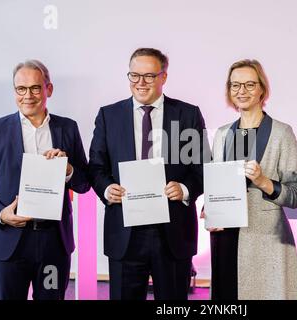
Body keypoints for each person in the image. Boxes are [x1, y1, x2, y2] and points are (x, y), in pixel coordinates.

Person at [88, 48, 209, 300]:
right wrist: (107, 189)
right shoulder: (108, 115)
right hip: (125, 231)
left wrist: (185, 189)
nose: (140, 83)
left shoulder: (187, 114)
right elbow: (97, 167)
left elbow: (201, 167)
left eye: (149, 76)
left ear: (163, 77)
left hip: (173, 230)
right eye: (134, 75)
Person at [0, 59, 90, 300]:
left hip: (54, 244)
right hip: (9, 242)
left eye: (36, 88)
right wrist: (0, 213)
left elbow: (83, 183)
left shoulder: (68, 128)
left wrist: (68, 168)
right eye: (21, 89)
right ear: (14, 91)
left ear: (49, 89)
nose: (28, 95)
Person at [206, 59, 297, 300]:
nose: (242, 91)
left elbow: (295, 195)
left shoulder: (282, 133)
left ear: (262, 89)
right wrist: (210, 208)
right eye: (235, 85)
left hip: (266, 242)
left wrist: (263, 181)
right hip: (225, 237)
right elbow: (216, 185)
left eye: (249, 84)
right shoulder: (222, 134)